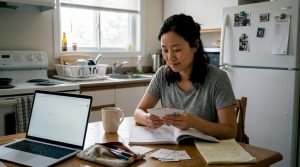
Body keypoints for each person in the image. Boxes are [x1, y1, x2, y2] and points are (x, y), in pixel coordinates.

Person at [133, 14, 237, 139]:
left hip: (207, 153)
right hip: (173, 151)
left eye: (177, 49)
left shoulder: (218, 78)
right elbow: (138, 112)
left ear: (195, 45)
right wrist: (147, 119)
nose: (170, 57)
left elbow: (230, 131)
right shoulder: (162, 74)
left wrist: (195, 123)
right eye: (165, 50)